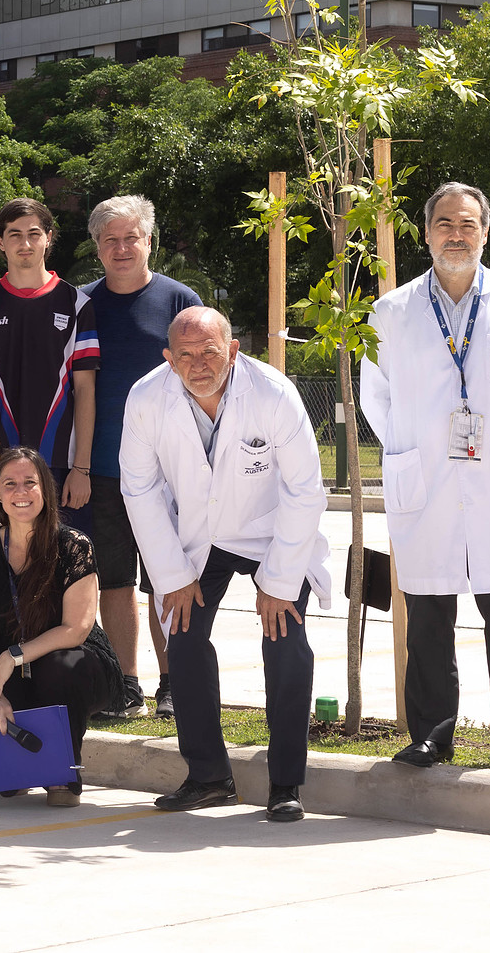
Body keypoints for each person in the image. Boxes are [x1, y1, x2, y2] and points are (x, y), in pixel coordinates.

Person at [363, 181, 490, 776]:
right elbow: (376, 397)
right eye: (445, 224)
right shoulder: (391, 311)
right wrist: (415, 449)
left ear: (485, 232)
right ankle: (431, 737)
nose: (456, 235)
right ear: (427, 233)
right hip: (425, 481)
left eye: (468, 224)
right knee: (428, 617)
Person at [122, 306, 330, 822]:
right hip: (198, 537)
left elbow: (305, 490)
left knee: (285, 639)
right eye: (185, 355)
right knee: (183, 637)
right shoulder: (146, 398)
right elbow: (140, 490)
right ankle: (208, 776)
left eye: (210, 352)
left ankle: (285, 783)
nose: (198, 364)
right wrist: (172, 575)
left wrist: (279, 581)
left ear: (233, 351)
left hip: (271, 532)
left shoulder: (274, 393)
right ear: (168, 359)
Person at [81, 195, 202, 722]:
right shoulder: (80, 305)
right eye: (110, 240)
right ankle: (124, 685)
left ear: (149, 241)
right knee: (114, 580)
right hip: (103, 469)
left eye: (131, 237)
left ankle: (173, 682)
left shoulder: (180, 302)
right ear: (97, 248)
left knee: (168, 577)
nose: (121, 248)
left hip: (169, 472)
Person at [0, 449, 123, 805]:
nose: (21, 492)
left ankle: (64, 775)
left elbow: (76, 629)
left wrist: (11, 657)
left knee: (60, 667)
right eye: (10, 484)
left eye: (30, 483)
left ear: (45, 491)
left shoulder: (74, 545)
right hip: (12, 669)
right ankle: (21, 770)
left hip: (73, 664)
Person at [0, 198, 99, 534]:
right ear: (0, 241)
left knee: (67, 559)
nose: (25, 243)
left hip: (62, 465)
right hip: (1, 465)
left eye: (34, 233)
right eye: (14, 234)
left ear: (48, 237)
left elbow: (85, 389)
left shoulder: (78, 305)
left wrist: (82, 468)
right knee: (9, 558)